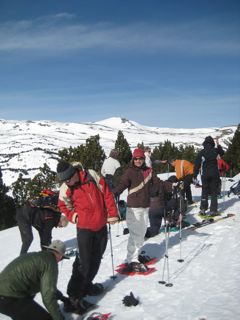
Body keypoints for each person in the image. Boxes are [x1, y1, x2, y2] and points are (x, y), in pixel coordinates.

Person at [57, 161, 118, 311]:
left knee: (96, 259)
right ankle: (74, 296)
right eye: (64, 181)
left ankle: (86, 286)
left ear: (74, 173)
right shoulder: (66, 188)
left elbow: (107, 193)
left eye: (68, 179)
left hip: (101, 225)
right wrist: (74, 216)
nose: (67, 182)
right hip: (84, 229)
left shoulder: (92, 175)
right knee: (83, 263)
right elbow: (63, 205)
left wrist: (112, 213)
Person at [112, 148, 158, 272]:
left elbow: (157, 183)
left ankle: (136, 256)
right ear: (133, 159)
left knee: (141, 233)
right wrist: (113, 194)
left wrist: (171, 186)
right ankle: (132, 259)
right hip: (133, 208)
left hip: (145, 206)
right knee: (136, 234)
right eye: (136, 158)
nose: (138, 160)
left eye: (140, 158)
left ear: (144, 158)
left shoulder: (149, 171)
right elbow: (121, 185)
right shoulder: (129, 172)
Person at [0, 240, 68, 320]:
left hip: (7, 296)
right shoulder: (50, 263)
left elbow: (47, 286)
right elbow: (48, 297)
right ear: (60, 255)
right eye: (62, 258)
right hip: (10, 298)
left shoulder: (39, 257)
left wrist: (63, 299)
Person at [194, 136, 224, 216]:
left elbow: (197, 164)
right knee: (214, 192)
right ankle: (213, 210)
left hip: (205, 175)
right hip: (214, 174)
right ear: (212, 143)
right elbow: (222, 153)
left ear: (205, 143)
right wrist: (218, 144)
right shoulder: (215, 150)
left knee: (204, 191)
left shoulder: (202, 152)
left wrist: (195, 175)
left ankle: (203, 209)